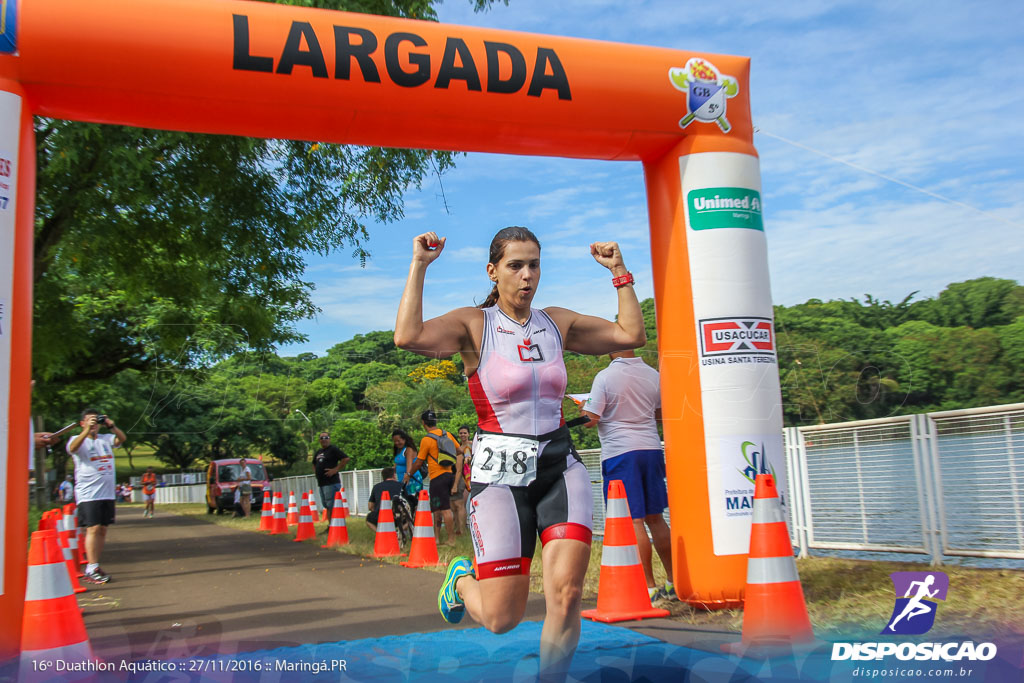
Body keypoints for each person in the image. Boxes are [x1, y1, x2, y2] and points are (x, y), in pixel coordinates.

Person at [394, 226, 645, 680]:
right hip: (499, 477)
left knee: (566, 595)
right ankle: (461, 579)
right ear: (493, 272)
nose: (526, 276)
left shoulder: (557, 322)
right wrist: (420, 265)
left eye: (534, 265)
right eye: (515, 266)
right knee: (500, 618)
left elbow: (630, 334)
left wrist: (619, 272)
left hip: (558, 468)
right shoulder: (475, 325)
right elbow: (407, 336)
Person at [582, 349, 675, 601]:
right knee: (656, 518)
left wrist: (583, 406)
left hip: (620, 452)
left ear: (610, 348)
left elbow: (590, 419)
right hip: (652, 449)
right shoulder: (652, 374)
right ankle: (672, 581)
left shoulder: (605, 377)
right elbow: (659, 414)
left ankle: (648, 588)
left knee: (633, 520)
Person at [67, 409, 127, 584]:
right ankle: (91, 567)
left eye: (96, 422)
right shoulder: (77, 440)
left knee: (102, 529)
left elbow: (122, 439)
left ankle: (95, 564)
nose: (94, 425)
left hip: (107, 492)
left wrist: (112, 426)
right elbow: (72, 448)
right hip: (88, 493)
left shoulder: (105, 439)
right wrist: (87, 430)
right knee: (92, 528)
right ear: (82, 423)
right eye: (89, 421)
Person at [403, 410, 461, 547]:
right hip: (448, 475)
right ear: (435, 421)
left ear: (423, 423)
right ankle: (437, 539)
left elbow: (418, 462)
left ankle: (451, 540)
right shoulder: (447, 434)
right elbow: (459, 451)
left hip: (437, 477)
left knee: (444, 509)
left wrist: (409, 474)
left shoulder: (427, 440)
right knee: (436, 508)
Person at [313, 432, 349, 518]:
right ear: (319, 440)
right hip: (322, 483)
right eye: (322, 438)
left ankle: (333, 526)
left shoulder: (333, 449)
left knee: (331, 505)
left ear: (329, 439)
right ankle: (330, 526)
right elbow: (314, 463)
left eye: (326, 437)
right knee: (326, 505)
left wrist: (335, 469)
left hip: (331, 482)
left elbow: (345, 458)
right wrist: (316, 473)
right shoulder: (319, 451)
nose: (324, 440)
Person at [366, 467, 404, 532]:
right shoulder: (401, 486)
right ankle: (397, 532)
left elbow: (370, 507)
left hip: (380, 517)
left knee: (368, 519)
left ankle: (380, 533)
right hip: (397, 517)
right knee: (408, 519)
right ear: (394, 475)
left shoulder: (376, 487)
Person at [391, 429, 423, 505]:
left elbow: (409, 467)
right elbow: (395, 466)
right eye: (395, 441)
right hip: (401, 480)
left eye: (398, 441)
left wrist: (407, 477)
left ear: (404, 439)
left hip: (411, 480)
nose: (397, 443)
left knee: (412, 502)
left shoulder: (408, 449)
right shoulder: (399, 450)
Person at [453, 424, 473, 532]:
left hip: (474, 474)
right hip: (463, 477)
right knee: (463, 502)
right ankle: (463, 525)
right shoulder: (458, 448)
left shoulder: (473, 445)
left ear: (468, 434)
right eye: (461, 433)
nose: (463, 435)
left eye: (465, 433)